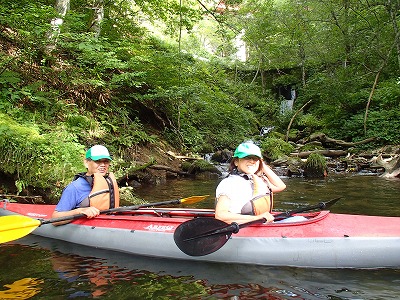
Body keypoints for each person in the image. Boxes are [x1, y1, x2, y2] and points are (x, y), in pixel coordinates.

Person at [215, 141, 286, 224]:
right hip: (242, 228)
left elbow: (280, 186)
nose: (252, 161)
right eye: (247, 157)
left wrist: (261, 165)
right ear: (236, 162)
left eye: (255, 158)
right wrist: (258, 218)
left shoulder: (256, 180)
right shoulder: (229, 183)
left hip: (261, 224)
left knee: (299, 219)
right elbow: (220, 215)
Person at [52, 145, 120, 225]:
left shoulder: (107, 183)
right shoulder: (75, 187)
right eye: (97, 161)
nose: (103, 165)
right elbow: (55, 219)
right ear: (86, 163)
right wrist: (80, 211)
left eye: (106, 161)